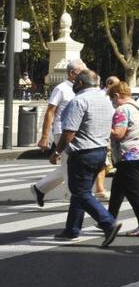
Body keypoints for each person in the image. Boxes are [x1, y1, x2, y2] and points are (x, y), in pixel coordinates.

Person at [50, 70, 123, 247]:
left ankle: (108, 222)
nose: (73, 84)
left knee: (80, 192)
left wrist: (57, 151)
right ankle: (72, 229)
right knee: (81, 191)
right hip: (100, 151)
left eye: (75, 81)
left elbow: (69, 132)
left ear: (81, 83)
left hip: (83, 153)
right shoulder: (104, 100)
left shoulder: (78, 101)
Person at [32, 59, 87, 207]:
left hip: (78, 132)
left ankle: (40, 188)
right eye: (82, 72)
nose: (85, 75)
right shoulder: (61, 88)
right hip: (62, 131)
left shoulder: (81, 89)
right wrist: (44, 136)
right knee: (70, 166)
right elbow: (50, 112)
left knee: (68, 165)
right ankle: (72, 199)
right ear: (71, 73)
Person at [106, 81, 139, 237]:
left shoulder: (122, 109)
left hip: (130, 155)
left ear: (117, 96)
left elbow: (118, 133)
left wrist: (104, 127)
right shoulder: (138, 106)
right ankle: (107, 220)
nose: (112, 103)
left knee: (133, 191)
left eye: (112, 99)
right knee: (118, 187)